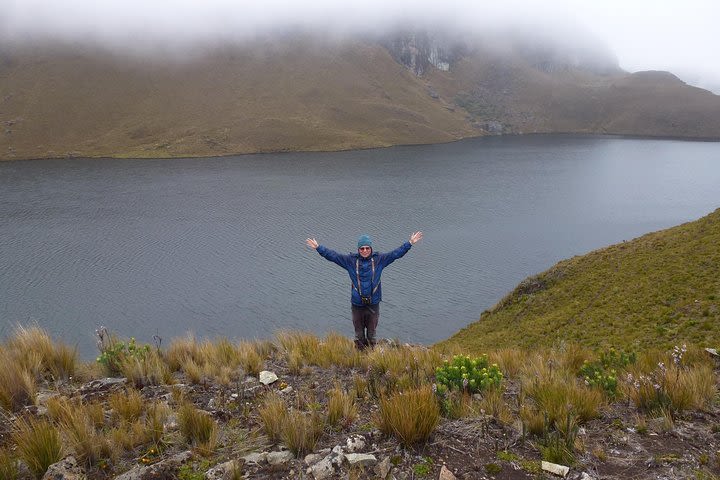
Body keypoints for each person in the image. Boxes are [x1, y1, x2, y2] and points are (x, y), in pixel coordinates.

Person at [305, 232, 423, 350]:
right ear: (358, 249)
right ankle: (360, 356)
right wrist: (318, 248)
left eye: (367, 248)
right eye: (362, 248)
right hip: (357, 304)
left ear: (371, 248)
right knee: (359, 334)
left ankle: (371, 356)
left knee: (372, 334)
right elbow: (333, 256)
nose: (365, 250)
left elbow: (396, 254)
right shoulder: (350, 261)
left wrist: (410, 243)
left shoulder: (380, 260)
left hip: (373, 303)